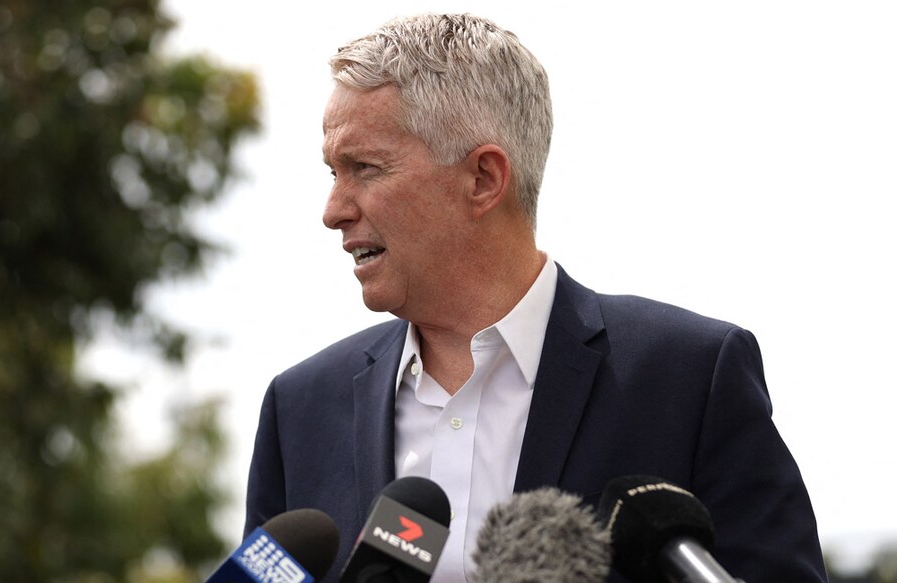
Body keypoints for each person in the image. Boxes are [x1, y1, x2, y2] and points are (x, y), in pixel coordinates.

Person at [244, 12, 827, 583]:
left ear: (484, 179)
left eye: (365, 168)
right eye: (332, 173)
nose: (333, 211)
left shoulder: (690, 377)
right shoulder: (298, 410)